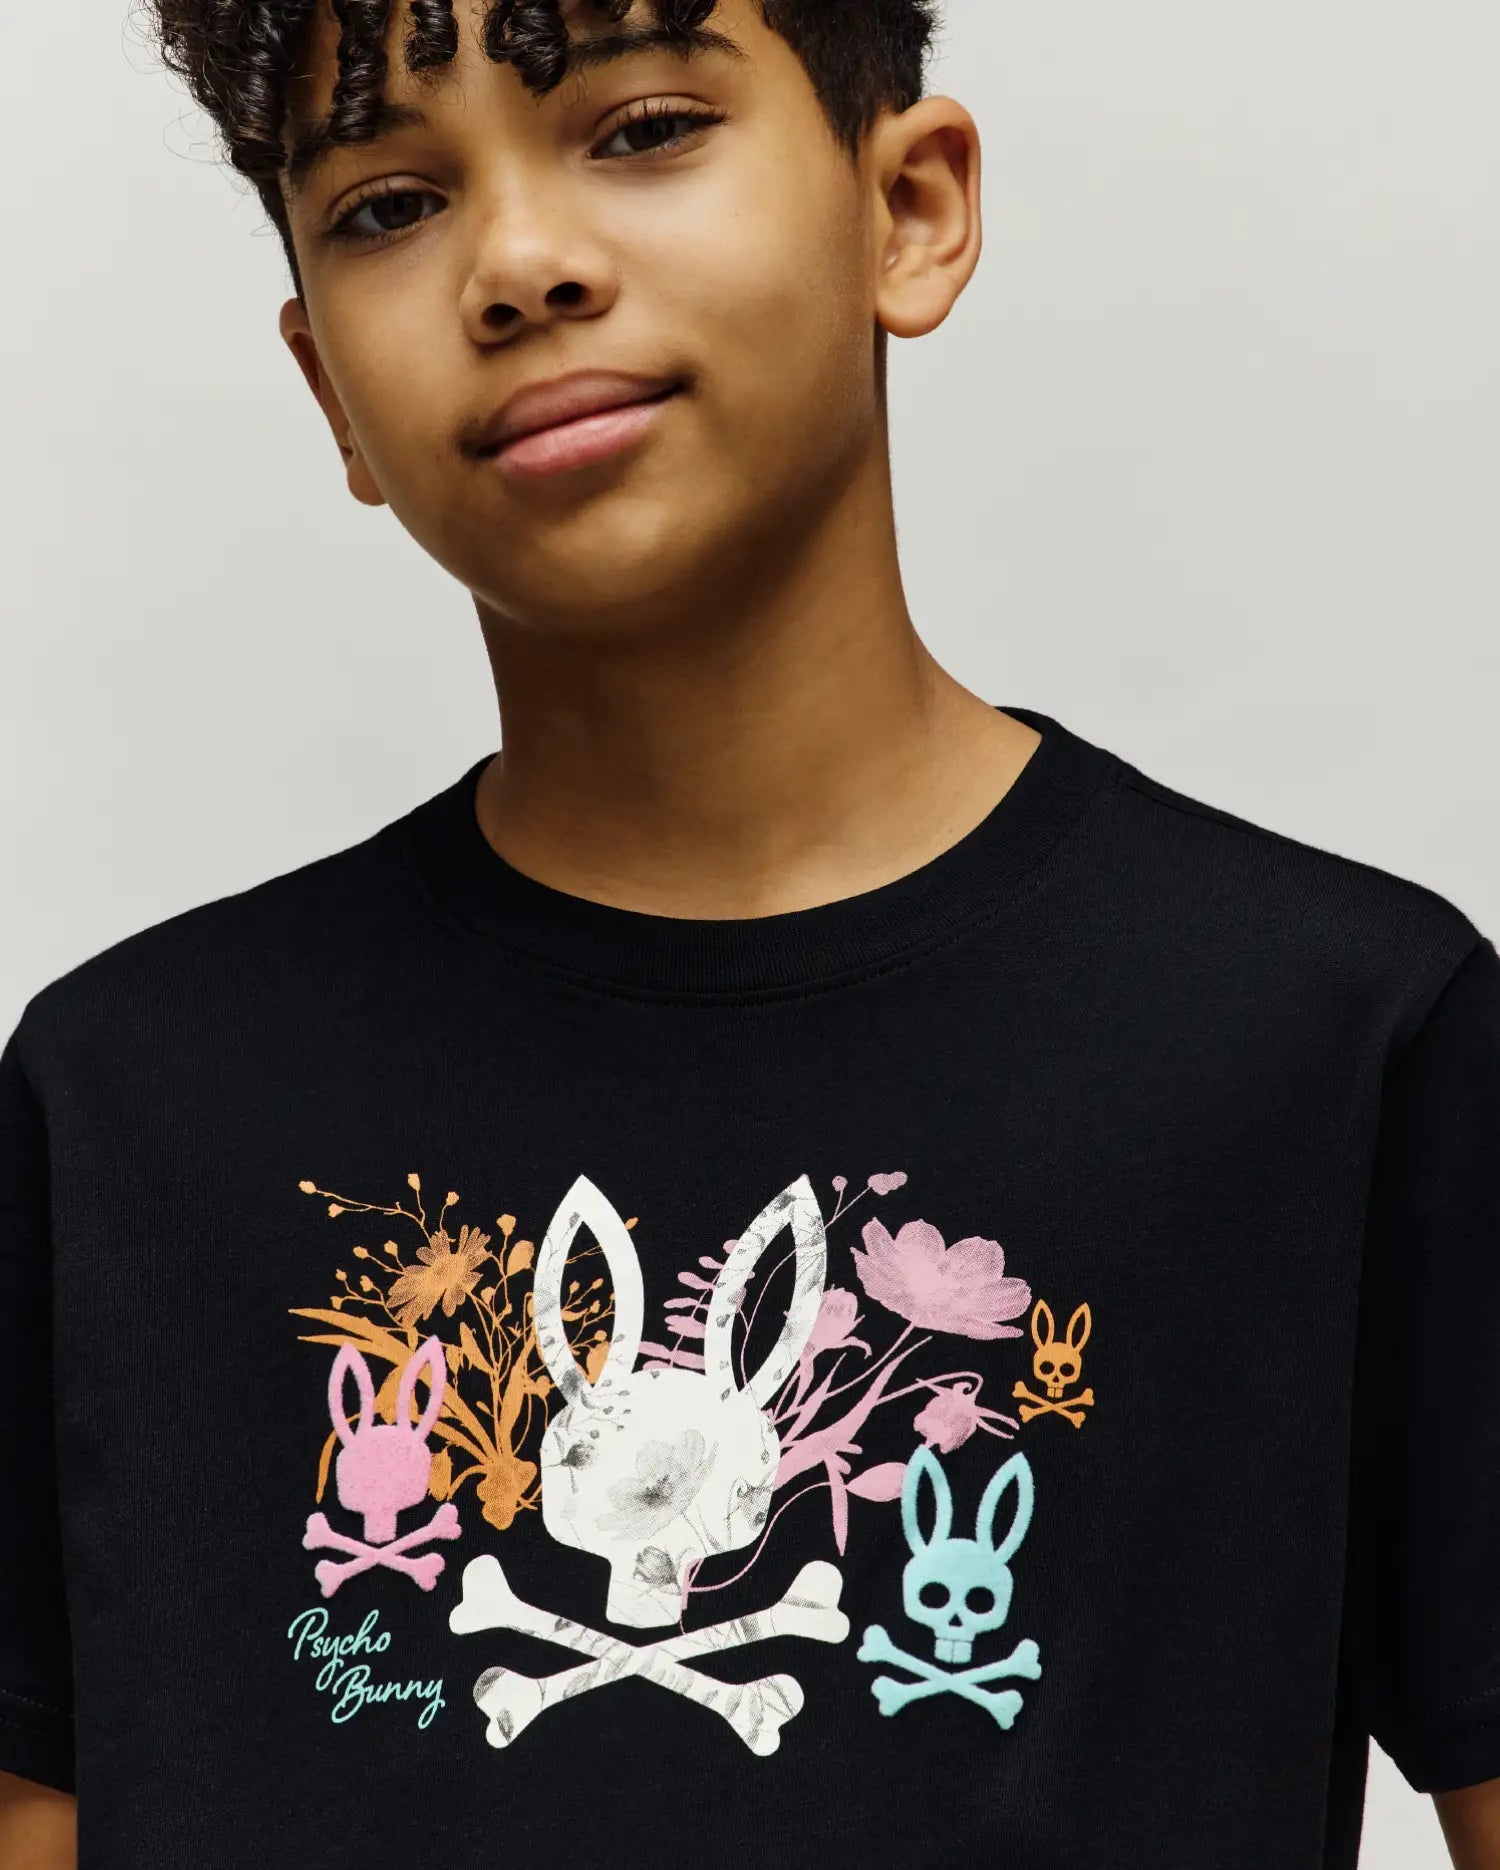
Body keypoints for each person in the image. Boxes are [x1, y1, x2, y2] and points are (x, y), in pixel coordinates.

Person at [2, 1, 1497, 1865]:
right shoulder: (121, 1111)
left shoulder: (1342, 1042)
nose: (521, 264)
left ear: (911, 211)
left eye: (641, 130)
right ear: (329, 393)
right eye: (388, 204)